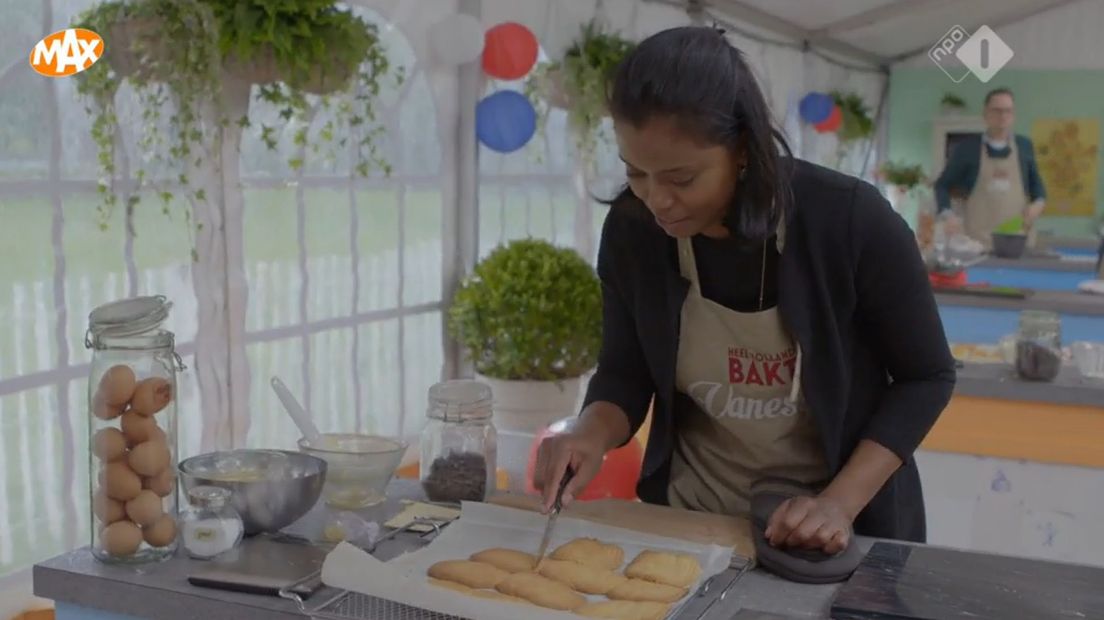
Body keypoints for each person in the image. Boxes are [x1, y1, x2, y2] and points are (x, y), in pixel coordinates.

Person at [532, 26, 956, 554]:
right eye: (636, 172)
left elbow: (926, 376)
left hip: (838, 527)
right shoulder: (633, 231)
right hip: (694, 521)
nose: (656, 199)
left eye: (681, 179)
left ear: (742, 150)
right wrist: (588, 432)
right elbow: (626, 370)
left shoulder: (847, 219)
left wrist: (838, 503)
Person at [933, 88, 1047, 248]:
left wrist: (1038, 204)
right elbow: (942, 185)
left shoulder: (1024, 146)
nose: (1003, 116)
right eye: (997, 110)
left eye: (1008, 111)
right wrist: (947, 214)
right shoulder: (967, 148)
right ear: (986, 113)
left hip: (1016, 241)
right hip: (976, 242)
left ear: (1013, 115)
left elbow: (1038, 188)